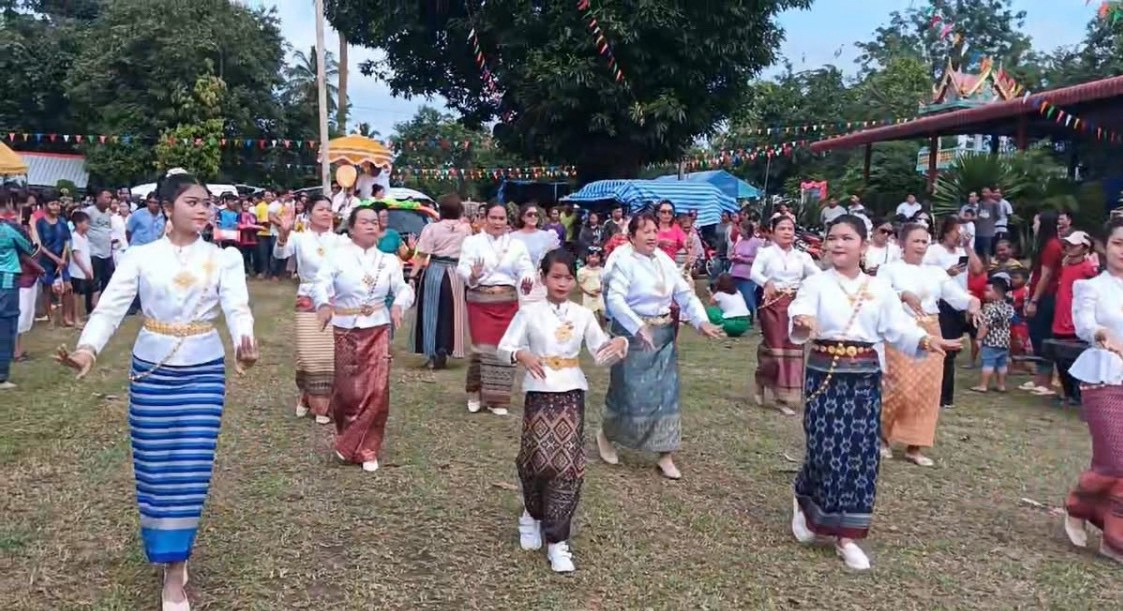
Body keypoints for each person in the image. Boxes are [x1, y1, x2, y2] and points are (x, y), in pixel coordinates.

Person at [55, 171, 258, 610]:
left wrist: (244, 344)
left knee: (191, 470)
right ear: (167, 207)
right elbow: (110, 307)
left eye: (206, 202)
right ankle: (168, 551)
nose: (203, 209)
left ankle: (174, 571)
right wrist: (87, 350)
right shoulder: (140, 257)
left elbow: (237, 307)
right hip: (151, 372)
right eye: (192, 202)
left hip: (204, 370)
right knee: (156, 471)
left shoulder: (225, 259)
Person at [787, 215, 959, 571]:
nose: (837, 244)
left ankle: (847, 536)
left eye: (847, 238)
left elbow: (897, 328)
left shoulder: (878, 288)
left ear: (863, 245)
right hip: (826, 373)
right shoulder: (816, 283)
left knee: (860, 456)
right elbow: (800, 309)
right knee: (825, 448)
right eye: (832, 237)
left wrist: (926, 339)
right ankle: (805, 499)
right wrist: (804, 320)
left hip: (864, 376)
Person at [497, 248, 629, 573]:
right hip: (539, 393)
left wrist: (619, 346)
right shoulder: (529, 312)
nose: (562, 283)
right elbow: (504, 348)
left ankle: (558, 540)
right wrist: (521, 356)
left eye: (568, 277)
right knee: (537, 460)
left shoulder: (583, 315)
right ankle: (532, 513)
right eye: (556, 276)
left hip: (571, 392)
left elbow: (600, 354)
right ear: (543, 278)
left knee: (567, 465)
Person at [597, 213, 724, 480]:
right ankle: (607, 435)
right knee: (629, 392)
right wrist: (637, 327)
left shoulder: (664, 260)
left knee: (667, 392)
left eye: (655, 230)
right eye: (645, 231)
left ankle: (665, 454)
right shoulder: (621, 261)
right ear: (632, 236)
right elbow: (615, 300)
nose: (652, 235)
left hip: (663, 333)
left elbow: (684, 294)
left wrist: (701, 321)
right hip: (632, 335)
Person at [312, 204, 413, 473]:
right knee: (347, 393)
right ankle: (348, 437)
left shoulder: (389, 260)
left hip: (378, 328)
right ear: (352, 228)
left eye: (375, 222)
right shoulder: (337, 257)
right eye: (364, 222)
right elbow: (320, 283)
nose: (371, 226)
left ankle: (367, 448)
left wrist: (398, 305)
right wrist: (322, 304)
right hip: (345, 328)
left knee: (377, 390)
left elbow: (404, 289)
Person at [879, 223, 980, 466]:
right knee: (900, 387)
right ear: (902, 244)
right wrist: (902, 295)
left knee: (927, 390)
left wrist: (973, 302)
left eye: (925, 241)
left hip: (932, 329)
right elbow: (879, 297)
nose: (921, 246)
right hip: (901, 331)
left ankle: (916, 446)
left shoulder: (936, 272)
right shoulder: (888, 270)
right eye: (916, 241)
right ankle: (882, 437)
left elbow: (956, 296)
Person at [1063, 217, 1123, 563]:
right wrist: (1102, 334)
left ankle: (1114, 538)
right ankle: (1079, 505)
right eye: (1117, 242)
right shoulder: (1091, 287)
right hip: (1104, 376)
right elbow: (1084, 325)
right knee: (1115, 462)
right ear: (1104, 245)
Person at [274, 195, 349, 425]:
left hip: (334, 300)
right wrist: (284, 233)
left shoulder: (341, 241)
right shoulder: (299, 238)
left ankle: (321, 406)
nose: (326, 213)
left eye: (329, 209)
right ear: (308, 213)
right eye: (321, 209)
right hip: (307, 299)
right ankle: (308, 397)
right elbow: (280, 254)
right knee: (309, 355)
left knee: (330, 355)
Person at [456, 202, 535, 415]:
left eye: (501, 218)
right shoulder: (472, 242)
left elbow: (526, 267)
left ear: (507, 221)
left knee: (504, 349)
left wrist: (527, 279)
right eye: (493, 217)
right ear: (485, 218)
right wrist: (472, 274)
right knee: (482, 349)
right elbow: (462, 267)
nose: (498, 222)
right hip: (480, 301)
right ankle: (475, 392)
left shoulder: (516, 245)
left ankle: (497, 400)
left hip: (507, 302)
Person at [749, 215, 821, 414]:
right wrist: (766, 282)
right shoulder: (765, 253)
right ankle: (762, 378)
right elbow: (754, 273)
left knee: (793, 347)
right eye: (782, 228)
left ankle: (783, 398)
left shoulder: (802, 256)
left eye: (790, 228)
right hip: (773, 304)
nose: (787, 232)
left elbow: (816, 275)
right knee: (775, 348)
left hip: (794, 305)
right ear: (772, 231)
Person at [922, 216, 985, 408]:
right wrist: (946, 274)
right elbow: (924, 275)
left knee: (953, 349)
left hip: (959, 302)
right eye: (956, 233)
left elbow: (978, 269)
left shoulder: (961, 251)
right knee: (944, 350)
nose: (958, 237)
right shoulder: (934, 251)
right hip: (941, 303)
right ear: (946, 232)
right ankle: (942, 396)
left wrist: (968, 247)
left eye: (962, 233)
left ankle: (945, 394)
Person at [409, 194, 473, 369]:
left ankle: (432, 352)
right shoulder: (465, 229)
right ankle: (447, 346)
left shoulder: (432, 228)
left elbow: (422, 254)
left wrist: (412, 275)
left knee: (431, 313)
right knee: (452, 313)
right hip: (456, 273)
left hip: (435, 271)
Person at [1047, 230, 1099, 405]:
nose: (1069, 247)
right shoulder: (1066, 265)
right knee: (1060, 359)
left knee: (1074, 359)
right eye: (1068, 244)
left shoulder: (1087, 268)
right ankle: (1068, 394)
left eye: (1074, 245)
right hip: (1060, 317)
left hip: (1075, 321)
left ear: (1084, 248)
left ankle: (1077, 395)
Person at [1023, 211, 1063, 397]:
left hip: (1045, 297)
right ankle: (1040, 378)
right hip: (1039, 295)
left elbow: (1046, 275)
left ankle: (1046, 382)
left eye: (1036, 222)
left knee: (1043, 337)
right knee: (1037, 336)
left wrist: (1034, 300)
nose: (1033, 226)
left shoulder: (1052, 246)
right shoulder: (1044, 245)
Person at [0, 212, 38, 389]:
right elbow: (31, 249)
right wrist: (32, 226)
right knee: (6, 324)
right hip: (7, 279)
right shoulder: (9, 228)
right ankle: (1, 375)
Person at [510, 203, 561, 305]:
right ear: (523, 217)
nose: (533, 217)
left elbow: (553, 259)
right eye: (530, 214)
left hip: (540, 282)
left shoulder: (547, 236)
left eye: (536, 214)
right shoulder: (513, 237)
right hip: (520, 281)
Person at [971, 277, 1015, 393]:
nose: (985, 293)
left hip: (991, 341)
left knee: (988, 363)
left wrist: (979, 338)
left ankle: (983, 385)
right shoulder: (1009, 307)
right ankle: (1001, 385)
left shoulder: (990, 308)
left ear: (996, 292)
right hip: (1005, 340)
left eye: (987, 290)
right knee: (1002, 364)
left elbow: (985, 325)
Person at [36, 197, 75, 326]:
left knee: (68, 288)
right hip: (46, 260)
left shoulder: (63, 222)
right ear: (45, 205)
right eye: (52, 203)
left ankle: (66, 317)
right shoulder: (40, 223)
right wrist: (55, 259)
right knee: (47, 289)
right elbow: (39, 245)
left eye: (58, 204)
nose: (56, 207)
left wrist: (63, 258)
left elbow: (67, 241)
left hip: (62, 260)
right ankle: (50, 317)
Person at [83, 189, 116, 304]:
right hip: (94, 252)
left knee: (107, 279)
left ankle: (102, 304)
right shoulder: (89, 211)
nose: (109, 200)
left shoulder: (108, 214)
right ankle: (90, 307)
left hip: (107, 252)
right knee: (93, 282)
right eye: (107, 197)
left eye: (110, 198)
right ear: (98, 197)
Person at [729, 220, 763, 323]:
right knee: (737, 297)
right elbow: (733, 253)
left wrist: (743, 260)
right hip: (735, 273)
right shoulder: (739, 241)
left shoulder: (756, 242)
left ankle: (750, 318)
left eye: (741, 228)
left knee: (748, 297)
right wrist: (734, 257)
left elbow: (758, 260)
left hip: (747, 275)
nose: (739, 231)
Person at [69, 211, 96, 318]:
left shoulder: (84, 237)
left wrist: (90, 269)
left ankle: (79, 316)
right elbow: (76, 255)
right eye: (86, 223)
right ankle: (75, 317)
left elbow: (86, 255)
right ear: (78, 224)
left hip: (85, 270)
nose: (88, 226)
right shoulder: (74, 237)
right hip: (77, 271)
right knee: (76, 295)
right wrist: (85, 270)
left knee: (82, 295)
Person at [706, 273, 751, 337]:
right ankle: (734, 332)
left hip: (730, 324)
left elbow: (711, 303)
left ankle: (721, 329)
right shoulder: (738, 292)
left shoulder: (719, 294)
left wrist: (711, 293)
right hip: (745, 323)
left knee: (711, 310)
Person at [576, 247, 605, 320]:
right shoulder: (582, 271)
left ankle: (603, 329)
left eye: (597, 257)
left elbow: (603, 282)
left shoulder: (602, 270)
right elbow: (580, 284)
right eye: (592, 256)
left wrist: (601, 288)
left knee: (602, 313)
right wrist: (588, 292)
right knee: (590, 315)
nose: (594, 259)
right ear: (587, 258)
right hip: (588, 296)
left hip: (599, 296)